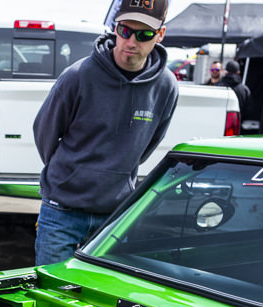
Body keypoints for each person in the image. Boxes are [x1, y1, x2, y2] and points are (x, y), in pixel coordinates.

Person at [32, 0, 178, 266]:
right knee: (52, 292)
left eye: (143, 34)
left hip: (114, 216)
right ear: (115, 27)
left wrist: (116, 176)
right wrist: (70, 174)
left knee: (102, 300)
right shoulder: (77, 76)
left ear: (160, 35)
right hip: (61, 211)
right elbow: (45, 133)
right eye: (124, 30)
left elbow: (148, 145)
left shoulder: (166, 85)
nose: (131, 41)